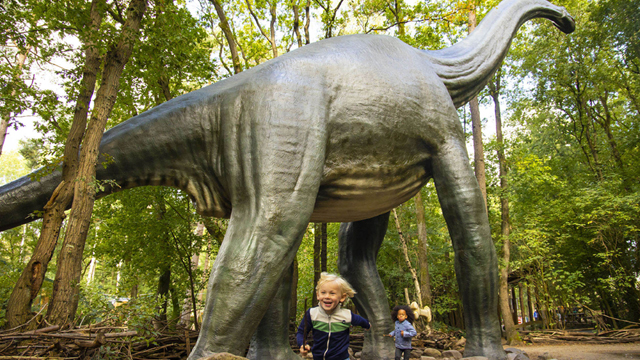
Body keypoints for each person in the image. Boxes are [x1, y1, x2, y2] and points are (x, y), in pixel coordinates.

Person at [297, 272, 370, 360]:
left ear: (342, 297)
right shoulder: (312, 314)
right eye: (323, 292)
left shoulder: (347, 315)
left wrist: (368, 325)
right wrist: (302, 344)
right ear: (318, 295)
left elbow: (361, 321)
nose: (327, 296)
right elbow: (301, 332)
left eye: (332, 293)